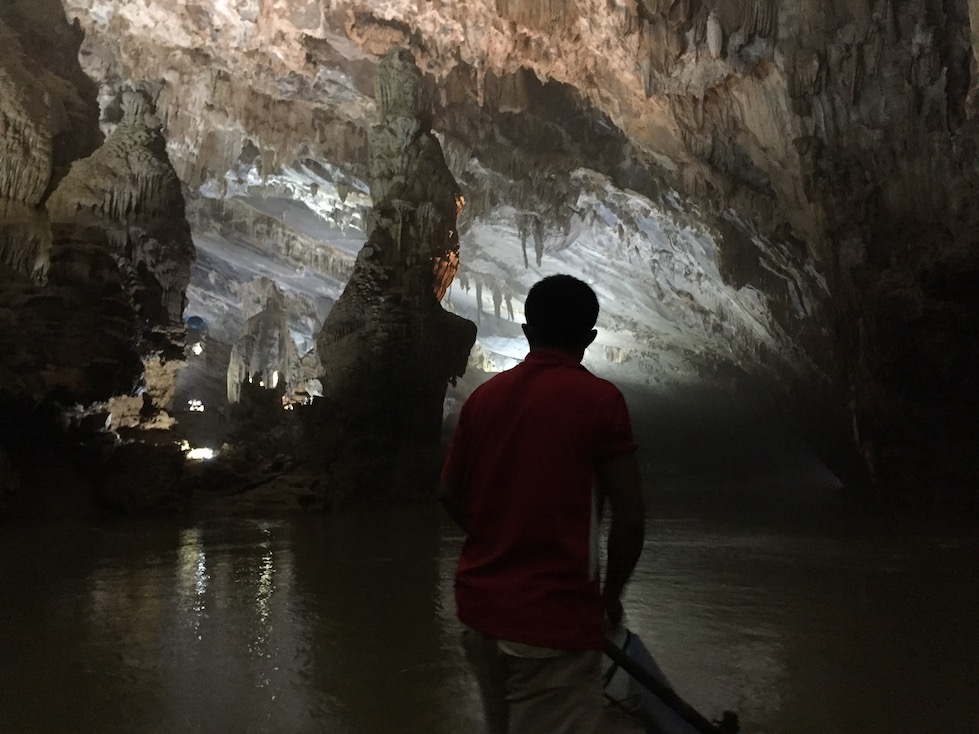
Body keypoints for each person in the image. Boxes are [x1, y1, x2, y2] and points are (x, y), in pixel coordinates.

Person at [439, 274, 645, 734]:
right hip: (553, 622)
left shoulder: (481, 400)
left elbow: (448, 493)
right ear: (589, 338)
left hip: (480, 613)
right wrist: (609, 597)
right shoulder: (601, 401)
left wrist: (494, 540)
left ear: (527, 330)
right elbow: (630, 518)